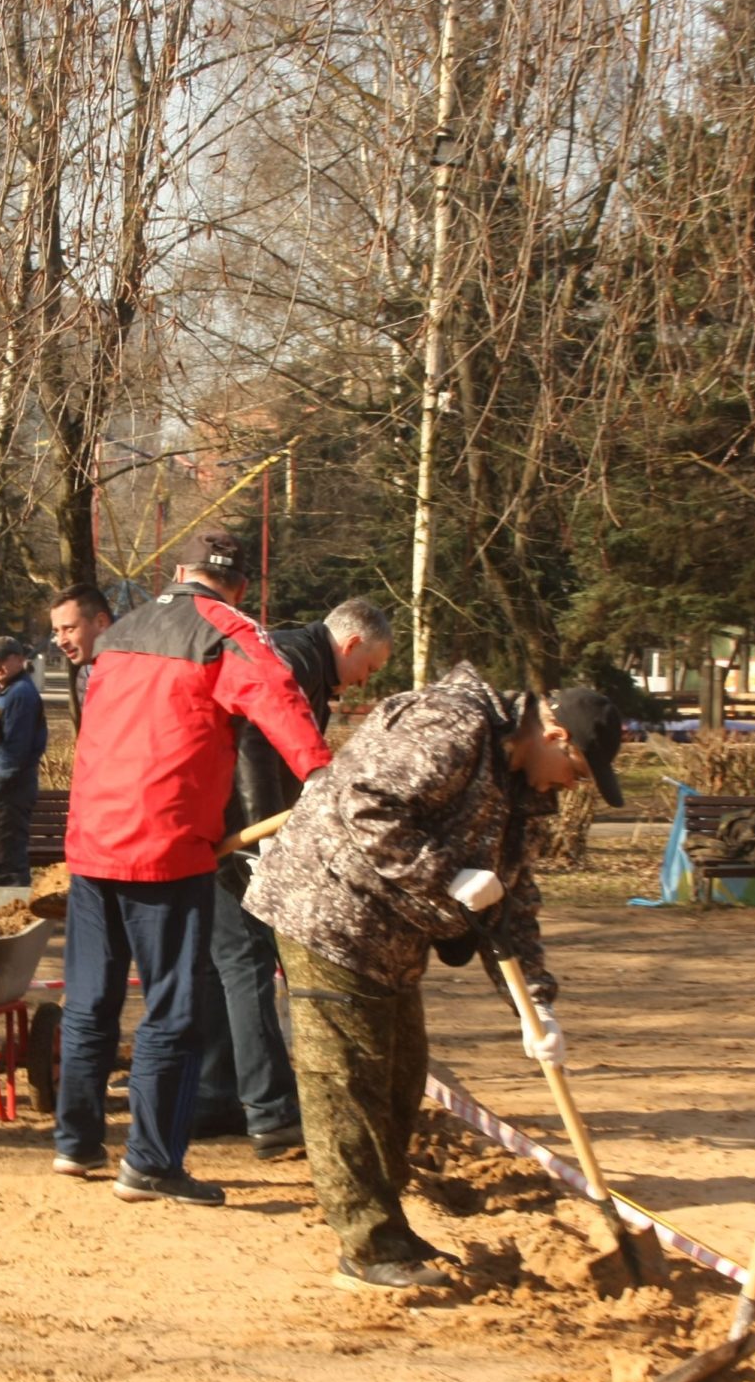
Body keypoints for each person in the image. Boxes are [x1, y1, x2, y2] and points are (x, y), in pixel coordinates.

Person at [247, 671, 622, 1290]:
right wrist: (445, 874)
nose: (571, 786)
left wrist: (536, 1006)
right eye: (576, 771)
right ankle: (369, 1248)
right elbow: (366, 804)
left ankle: (388, 1230)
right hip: (327, 909)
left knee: (400, 1077)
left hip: (393, 934)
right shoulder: (453, 725)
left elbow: (512, 902)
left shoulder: (522, 790)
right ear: (554, 734)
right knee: (347, 1080)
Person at [55, 532, 331, 1205]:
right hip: (166, 843)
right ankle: (150, 1162)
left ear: (180, 571)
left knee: (89, 998)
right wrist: (324, 777)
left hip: (93, 837)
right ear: (238, 586)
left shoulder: (120, 632)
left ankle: (75, 1140)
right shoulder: (227, 630)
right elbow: (280, 699)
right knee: (172, 1008)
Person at [197, 597, 394, 1158]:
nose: (362, 682)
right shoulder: (292, 660)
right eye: (369, 669)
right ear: (351, 645)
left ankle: (216, 1095)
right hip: (236, 834)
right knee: (245, 959)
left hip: (226, 829)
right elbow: (256, 743)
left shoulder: (303, 661)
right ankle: (270, 1110)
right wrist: (261, 842)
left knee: (224, 961)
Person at [0, 636, 48, 886]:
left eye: (4, 660)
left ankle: (18, 917)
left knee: (5, 861)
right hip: (1, 785)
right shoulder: (2, 690)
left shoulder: (20, 694)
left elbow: (14, 754)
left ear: (20, 660)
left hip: (10, 790)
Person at [46, 583, 115, 735]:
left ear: (101, 623)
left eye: (69, 629)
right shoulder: (85, 674)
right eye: (57, 632)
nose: (60, 641)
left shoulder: (140, 671)